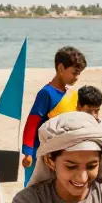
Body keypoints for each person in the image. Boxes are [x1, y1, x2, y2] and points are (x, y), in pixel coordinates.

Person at [21, 46, 86, 183]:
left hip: (62, 153)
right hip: (42, 151)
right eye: (74, 73)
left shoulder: (72, 94)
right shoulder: (46, 93)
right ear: (61, 68)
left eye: (79, 73)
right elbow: (32, 122)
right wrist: (28, 152)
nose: (77, 77)